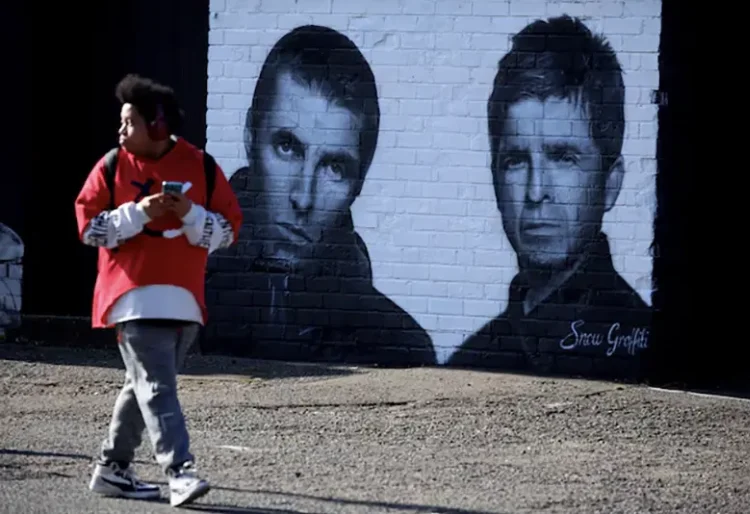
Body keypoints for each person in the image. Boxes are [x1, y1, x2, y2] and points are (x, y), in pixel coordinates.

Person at [205, 25, 436, 366]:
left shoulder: (398, 348)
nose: (303, 197)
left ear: (358, 183)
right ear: (250, 138)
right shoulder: (182, 303)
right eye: (287, 148)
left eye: (334, 168)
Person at [74, 74, 243, 507]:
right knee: (157, 387)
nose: (121, 131)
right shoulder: (112, 164)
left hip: (184, 300)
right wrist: (137, 214)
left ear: (158, 125)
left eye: (129, 122)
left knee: (145, 385)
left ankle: (113, 469)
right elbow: (89, 228)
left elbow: (228, 230)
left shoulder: (200, 165)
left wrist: (189, 214)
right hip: (131, 296)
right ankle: (180, 472)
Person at [447, 15, 651, 374]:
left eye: (563, 158)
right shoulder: (469, 361)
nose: (536, 191)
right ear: (494, 177)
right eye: (515, 161)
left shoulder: (645, 352)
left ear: (611, 183)